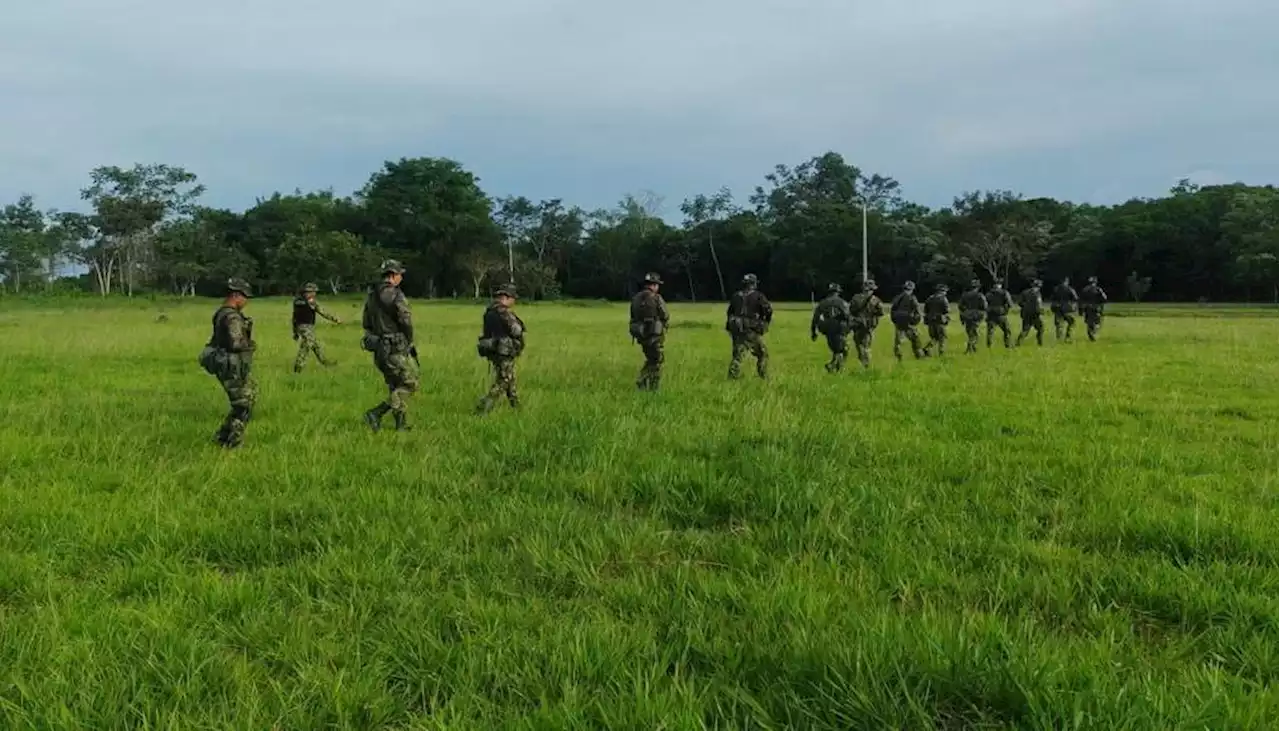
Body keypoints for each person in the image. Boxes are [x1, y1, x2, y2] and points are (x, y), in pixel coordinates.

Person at [198, 278, 256, 448]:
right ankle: (232, 442)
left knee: (246, 400)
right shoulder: (232, 316)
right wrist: (250, 344)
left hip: (225, 362)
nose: (246, 302)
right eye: (245, 298)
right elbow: (236, 343)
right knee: (243, 406)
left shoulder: (221, 312)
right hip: (231, 365)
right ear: (236, 295)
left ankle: (223, 436)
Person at [361, 260, 418, 432]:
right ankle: (375, 413)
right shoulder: (396, 295)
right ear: (393, 275)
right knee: (410, 384)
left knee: (395, 385)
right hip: (395, 348)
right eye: (400, 274)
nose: (401, 278)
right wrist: (408, 339)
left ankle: (400, 425)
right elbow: (405, 320)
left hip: (379, 349)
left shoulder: (371, 296)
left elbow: (366, 323)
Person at [476, 284, 526, 413]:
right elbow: (516, 330)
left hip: (493, 349)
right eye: (513, 298)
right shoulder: (503, 312)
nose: (514, 301)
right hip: (504, 350)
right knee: (504, 380)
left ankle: (516, 406)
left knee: (510, 378)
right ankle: (484, 406)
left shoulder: (489, 311)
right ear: (506, 297)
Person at [726, 273, 773, 379]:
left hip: (736, 329)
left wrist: (729, 328)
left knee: (738, 355)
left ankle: (732, 376)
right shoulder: (758, 296)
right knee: (763, 353)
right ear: (753, 284)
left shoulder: (736, 296)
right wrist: (765, 323)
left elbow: (729, 313)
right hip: (750, 330)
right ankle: (763, 375)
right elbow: (768, 311)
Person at [629, 272, 670, 390]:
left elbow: (633, 317)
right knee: (657, 360)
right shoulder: (656, 298)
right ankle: (650, 384)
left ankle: (645, 383)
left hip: (641, 335)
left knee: (651, 359)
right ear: (654, 285)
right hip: (654, 335)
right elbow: (665, 315)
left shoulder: (635, 298)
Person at [292, 282, 341, 372]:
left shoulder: (297, 301)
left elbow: (294, 317)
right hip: (307, 327)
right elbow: (322, 312)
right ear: (308, 292)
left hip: (300, 326)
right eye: (313, 292)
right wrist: (335, 319)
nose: (314, 294)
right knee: (306, 345)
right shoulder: (311, 302)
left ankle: (325, 362)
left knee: (315, 346)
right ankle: (298, 367)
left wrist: (295, 331)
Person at [810, 282, 852, 372]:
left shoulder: (823, 303)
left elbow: (815, 318)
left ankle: (838, 368)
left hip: (827, 329)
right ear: (838, 292)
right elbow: (847, 315)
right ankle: (833, 366)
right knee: (844, 349)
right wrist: (849, 327)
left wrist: (813, 332)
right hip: (839, 328)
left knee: (836, 349)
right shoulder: (841, 302)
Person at [848, 279, 884, 368]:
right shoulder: (875, 300)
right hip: (869, 326)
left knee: (859, 345)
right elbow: (881, 312)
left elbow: (851, 310)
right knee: (866, 345)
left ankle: (863, 360)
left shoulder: (855, 297)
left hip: (857, 325)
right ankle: (866, 363)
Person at [890, 281, 925, 361]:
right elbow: (917, 310)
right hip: (909, 322)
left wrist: (895, 321)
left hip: (898, 322)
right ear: (912, 289)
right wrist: (916, 321)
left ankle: (899, 357)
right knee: (916, 340)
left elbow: (892, 310)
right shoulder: (912, 298)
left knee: (899, 341)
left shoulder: (898, 297)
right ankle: (920, 357)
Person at [958, 279, 987, 354]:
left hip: (967, 315)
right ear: (977, 287)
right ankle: (969, 348)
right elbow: (984, 306)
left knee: (970, 333)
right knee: (975, 335)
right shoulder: (980, 295)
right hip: (976, 316)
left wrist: (966, 311)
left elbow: (960, 306)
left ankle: (973, 350)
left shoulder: (964, 295)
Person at [922, 283, 950, 356]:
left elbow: (925, 310)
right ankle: (941, 353)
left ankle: (927, 348)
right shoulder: (943, 299)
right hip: (940, 321)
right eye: (945, 291)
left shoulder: (930, 298)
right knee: (942, 337)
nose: (945, 293)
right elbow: (946, 310)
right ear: (942, 291)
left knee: (934, 338)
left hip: (930, 321)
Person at [1016, 279, 1046, 346]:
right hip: (1035, 314)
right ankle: (1040, 343)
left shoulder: (1025, 292)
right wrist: (1041, 312)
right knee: (1041, 329)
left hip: (1026, 314)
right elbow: (1038, 304)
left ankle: (1018, 343)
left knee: (1025, 330)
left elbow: (1020, 303)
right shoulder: (1037, 294)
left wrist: (1026, 307)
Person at [985, 281, 1015, 348]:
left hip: (991, 315)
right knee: (1007, 331)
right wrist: (1006, 310)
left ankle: (989, 345)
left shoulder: (988, 294)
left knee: (990, 332)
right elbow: (1010, 303)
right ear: (1000, 285)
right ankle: (1008, 345)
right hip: (1001, 314)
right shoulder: (1004, 293)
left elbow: (985, 304)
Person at [1079, 276, 1109, 341]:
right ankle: (1094, 332)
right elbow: (1104, 298)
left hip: (1087, 308)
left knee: (1089, 322)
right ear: (1095, 282)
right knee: (1098, 322)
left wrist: (1080, 310)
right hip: (1096, 308)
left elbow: (1080, 300)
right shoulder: (1098, 289)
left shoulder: (1084, 289)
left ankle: (1090, 333)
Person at [1051, 276, 1079, 342]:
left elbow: (1052, 298)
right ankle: (1068, 337)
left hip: (1058, 308)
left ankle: (1059, 338)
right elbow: (1075, 298)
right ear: (1067, 281)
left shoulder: (1056, 289)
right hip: (1067, 309)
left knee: (1059, 324)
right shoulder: (1070, 289)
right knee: (1072, 323)